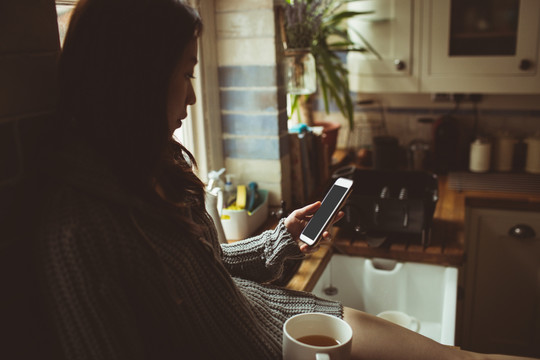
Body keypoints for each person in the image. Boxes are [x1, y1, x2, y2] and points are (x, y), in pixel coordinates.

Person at [34, 0, 538, 359]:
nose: (191, 98)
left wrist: (279, 240)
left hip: (278, 318)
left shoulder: (157, 166)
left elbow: (202, 273)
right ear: (135, 80)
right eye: (186, 73)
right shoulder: (78, 231)